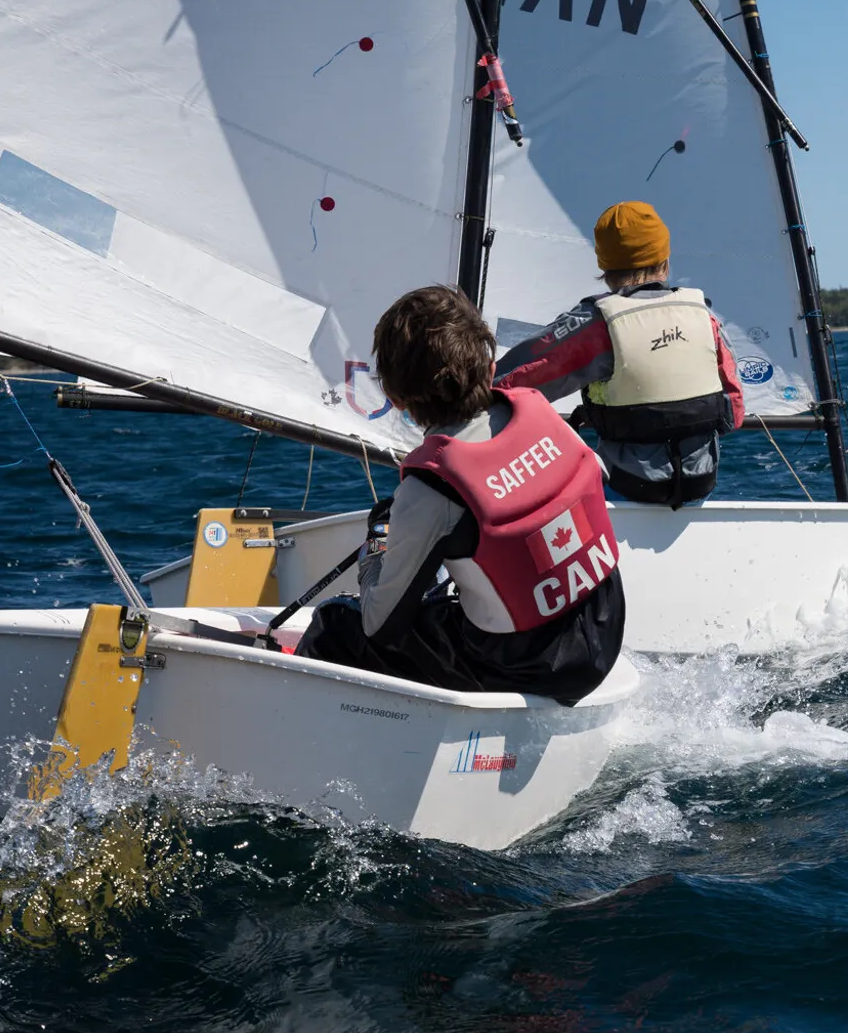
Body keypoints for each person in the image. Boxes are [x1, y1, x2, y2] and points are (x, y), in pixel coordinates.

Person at [296, 285, 625, 704]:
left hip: (529, 666)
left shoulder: (430, 489)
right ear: (490, 370)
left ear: (395, 399)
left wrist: (378, 547)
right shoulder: (545, 418)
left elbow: (381, 626)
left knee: (337, 625)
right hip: (603, 627)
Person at [495, 200, 745, 508]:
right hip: (700, 487)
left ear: (604, 266)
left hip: (627, 488)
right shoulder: (704, 316)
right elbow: (734, 415)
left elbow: (508, 384)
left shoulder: (597, 322)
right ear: (665, 260)